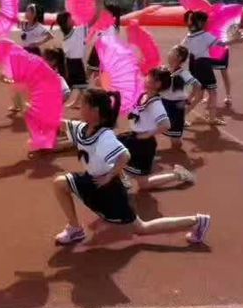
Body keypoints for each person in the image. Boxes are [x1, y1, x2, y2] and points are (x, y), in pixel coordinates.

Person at [51, 88, 211, 245]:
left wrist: (109, 176)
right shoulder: (82, 128)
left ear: (95, 110)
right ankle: (75, 228)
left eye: (83, 104)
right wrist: (38, 112)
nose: (80, 107)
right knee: (60, 183)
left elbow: (124, 156)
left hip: (109, 189)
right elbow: (60, 123)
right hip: (93, 181)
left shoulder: (105, 136)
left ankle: (197, 221)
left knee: (141, 228)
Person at [119, 68, 196, 191]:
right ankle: (122, 178)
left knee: (143, 184)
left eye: (148, 77)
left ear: (157, 84)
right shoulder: (143, 95)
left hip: (143, 145)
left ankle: (178, 174)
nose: (145, 78)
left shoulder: (155, 104)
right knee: (113, 154)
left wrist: (147, 134)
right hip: (132, 137)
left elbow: (166, 124)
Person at [182, 11, 243, 125]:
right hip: (204, 65)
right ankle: (212, 118)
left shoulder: (190, 36)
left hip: (196, 64)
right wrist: (236, 40)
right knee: (212, 92)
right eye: (206, 22)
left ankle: (182, 116)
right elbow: (221, 44)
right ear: (201, 22)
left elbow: (185, 47)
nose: (208, 23)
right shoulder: (205, 35)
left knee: (199, 95)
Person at [161, 45, 200, 148]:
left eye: (172, 51)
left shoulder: (183, 73)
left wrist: (189, 98)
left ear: (178, 57)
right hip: (163, 104)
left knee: (175, 142)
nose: (169, 53)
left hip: (175, 109)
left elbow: (197, 85)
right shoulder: (164, 70)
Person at [56, 11, 88, 109]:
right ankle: (56, 104)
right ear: (66, 22)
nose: (72, 19)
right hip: (75, 64)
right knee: (79, 87)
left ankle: (73, 103)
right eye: (70, 19)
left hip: (70, 63)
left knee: (77, 87)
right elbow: (87, 23)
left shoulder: (70, 33)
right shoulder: (76, 32)